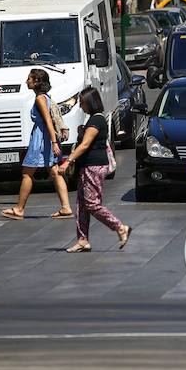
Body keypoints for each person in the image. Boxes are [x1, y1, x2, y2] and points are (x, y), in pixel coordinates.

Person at [59, 88, 132, 253]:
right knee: (82, 205)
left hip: (94, 166)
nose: (81, 106)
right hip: (86, 166)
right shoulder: (92, 119)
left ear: (90, 102)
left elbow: (85, 144)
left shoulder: (96, 121)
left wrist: (67, 162)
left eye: (82, 103)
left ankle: (120, 227)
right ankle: (82, 240)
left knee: (92, 204)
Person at [1, 69, 73, 220]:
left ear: (37, 82)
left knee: (27, 173)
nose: (26, 81)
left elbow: (47, 121)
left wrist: (54, 142)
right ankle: (66, 207)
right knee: (54, 172)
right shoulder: (46, 97)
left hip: (41, 140)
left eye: (29, 79)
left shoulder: (40, 98)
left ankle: (19, 209)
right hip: (46, 138)